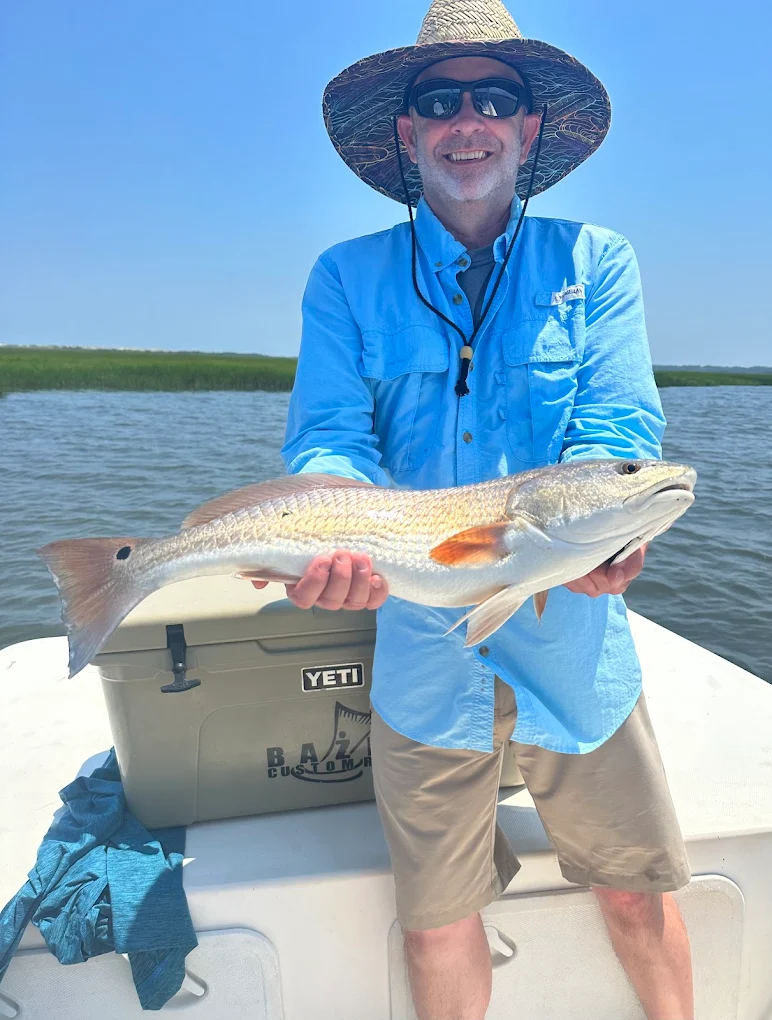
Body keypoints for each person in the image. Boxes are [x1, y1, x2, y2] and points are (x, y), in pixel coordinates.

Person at [254, 1, 694, 1016]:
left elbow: (617, 430)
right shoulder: (346, 278)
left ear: (529, 127)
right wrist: (340, 534)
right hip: (418, 648)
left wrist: (612, 530)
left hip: (577, 648)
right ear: (406, 131)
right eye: (438, 99)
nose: (468, 120)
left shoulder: (597, 264)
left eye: (493, 98)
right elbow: (327, 438)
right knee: (438, 919)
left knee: (635, 893)